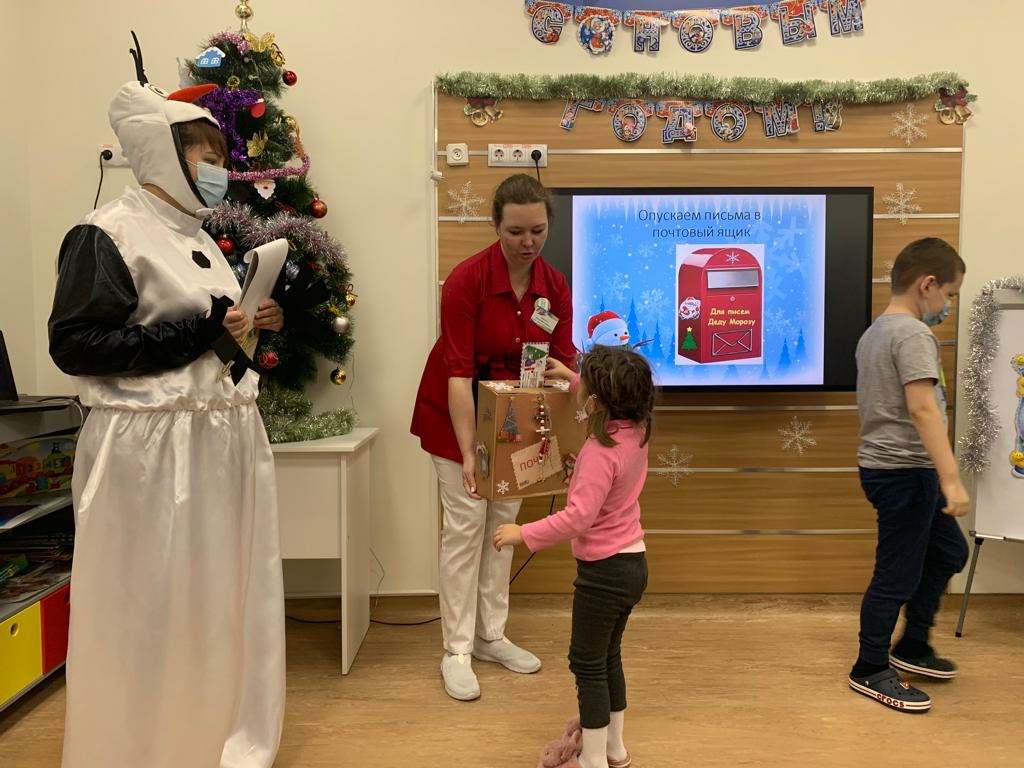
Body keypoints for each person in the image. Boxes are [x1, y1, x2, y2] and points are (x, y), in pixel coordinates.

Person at [47, 46, 285, 768]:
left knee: (213, 603)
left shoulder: (198, 238)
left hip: (216, 444)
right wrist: (202, 330)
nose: (218, 166)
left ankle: (209, 733)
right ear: (160, 151)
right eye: (204, 153)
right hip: (151, 459)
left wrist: (249, 325)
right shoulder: (107, 233)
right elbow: (76, 345)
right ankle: (143, 746)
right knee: (148, 605)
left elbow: (212, 341)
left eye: (220, 154)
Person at [410, 174, 576, 701]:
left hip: (516, 422)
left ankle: (490, 635)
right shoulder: (467, 280)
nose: (528, 242)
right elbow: (458, 374)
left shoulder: (554, 286)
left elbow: (561, 363)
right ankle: (457, 649)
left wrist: (556, 431)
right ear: (496, 226)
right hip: (455, 417)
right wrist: (467, 454)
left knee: (504, 528)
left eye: (537, 231)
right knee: (465, 527)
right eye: (515, 232)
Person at [495, 345, 652, 768]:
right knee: (608, 657)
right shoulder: (636, 430)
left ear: (596, 402)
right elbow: (606, 395)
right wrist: (571, 378)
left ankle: (592, 760)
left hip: (604, 572)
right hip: (632, 563)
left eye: (587, 385)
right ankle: (615, 749)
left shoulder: (600, 452)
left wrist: (523, 533)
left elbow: (578, 517)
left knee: (587, 664)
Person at [848, 237, 970, 713]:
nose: (947, 306)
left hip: (897, 470)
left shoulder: (875, 332)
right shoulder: (913, 335)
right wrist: (950, 478)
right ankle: (870, 667)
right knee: (896, 574)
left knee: (950, 551)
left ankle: (913, 643)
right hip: (904, 472)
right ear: (928, 284)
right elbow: (923, 409)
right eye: (950, 294)